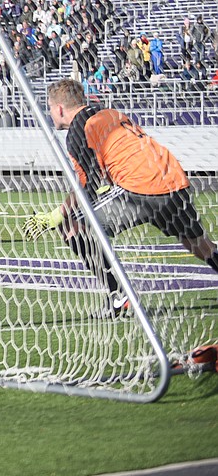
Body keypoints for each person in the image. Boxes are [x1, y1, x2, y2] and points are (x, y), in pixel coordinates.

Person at [26, 79, 218, 318]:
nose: (51, 114)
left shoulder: (78, 130)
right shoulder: (111, 113)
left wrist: (57, 215)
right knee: (199, 243)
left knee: (72, 225)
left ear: (60, 109)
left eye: (50, 108)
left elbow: (87, 187)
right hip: (173, 179)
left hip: (141, 189)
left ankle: (118, 296)